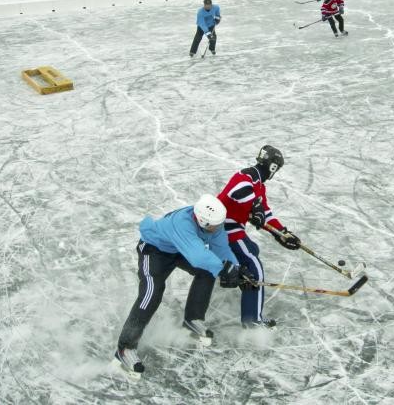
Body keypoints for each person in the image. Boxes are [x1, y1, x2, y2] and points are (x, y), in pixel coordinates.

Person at [114, 195, 245, 377]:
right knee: (151, 293)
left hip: (177, 250)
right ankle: (124, 349)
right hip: (154, 251)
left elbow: (221, 249)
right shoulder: (182, 223)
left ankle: (192, 320)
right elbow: (198, 256)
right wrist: (224, 269)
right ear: (202, 221)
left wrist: (237, 269)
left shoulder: (214, 223)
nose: (218, 228)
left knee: (207, 272)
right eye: (215, 226)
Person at [217, 146, 299, 328]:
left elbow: (266, 214)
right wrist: (255, 206)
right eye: (276, 168)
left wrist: (283, 233)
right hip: (224, 230)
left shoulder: (260, 186)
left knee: (253, 249)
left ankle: (243, 285)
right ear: (272, 167)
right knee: (255, 268)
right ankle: (252, 321)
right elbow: (238, 191)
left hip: (234, 229)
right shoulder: (247, 176)